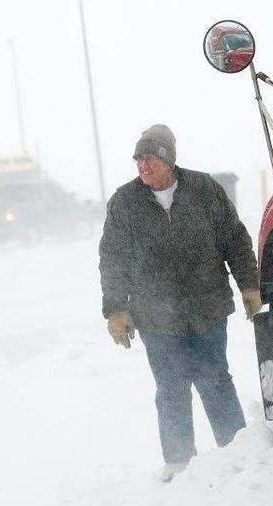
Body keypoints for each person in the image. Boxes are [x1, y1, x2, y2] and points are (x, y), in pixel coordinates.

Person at [98, 124, 262, 482]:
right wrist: (116, 309)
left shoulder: (204, 189)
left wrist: (249, 284)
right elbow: (112, 258)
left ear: (169, 159)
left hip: (207, 307)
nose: (143, 166)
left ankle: (237, 454)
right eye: (139, 159)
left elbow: (234, 238)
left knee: (215, 379)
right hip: (155, 315)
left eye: (150, 158)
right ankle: (178, 462)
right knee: (171, 387)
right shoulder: (125, 202)